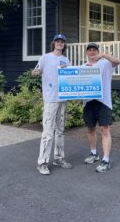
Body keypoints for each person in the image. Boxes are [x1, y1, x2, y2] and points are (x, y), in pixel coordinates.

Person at [32, 33, 73, 175]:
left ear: (64, 44)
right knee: (48, 132)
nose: (60, 43)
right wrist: (35, 72)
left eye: (62, 41)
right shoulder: (45, 57)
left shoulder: (66, 60)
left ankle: (58, 158)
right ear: (54, 43)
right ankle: (42, 162)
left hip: (63, 99)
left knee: (60, 130)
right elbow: (35, 71)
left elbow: (70, 78)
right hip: (50, 99)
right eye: (58, 41)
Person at [82, 42, 120, 172]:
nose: (92, 52)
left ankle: (106, 160)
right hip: (88, 102)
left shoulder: (105, 63)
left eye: (95, 50)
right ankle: (94, 153)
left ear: (97, 52)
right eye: (90, 50)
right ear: (86, 53)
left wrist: (103, 55)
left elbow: (118, 61)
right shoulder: (83, 67)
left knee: (105, 130)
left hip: (103, 102)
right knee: (90, 129)